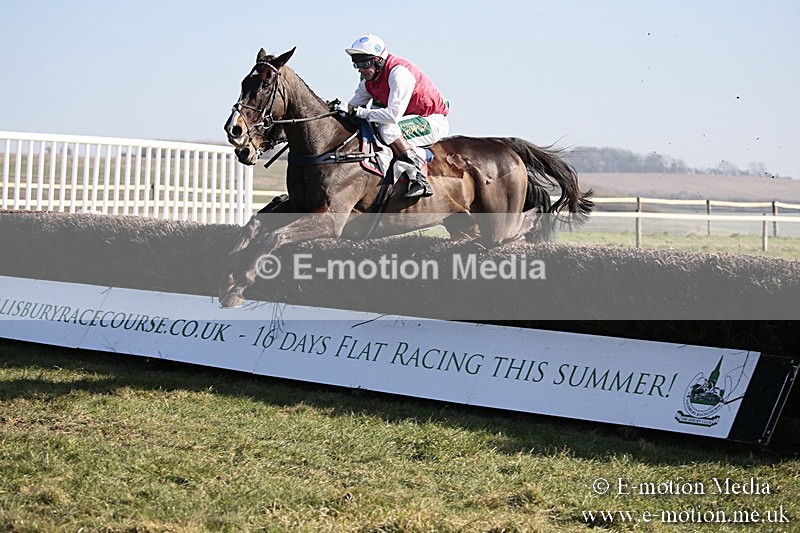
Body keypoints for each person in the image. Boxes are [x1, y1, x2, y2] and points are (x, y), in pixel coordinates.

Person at [345, 34, 449, 198]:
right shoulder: (368, 79)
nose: (360, 68)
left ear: (379, 60)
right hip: (405, 119)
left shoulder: (399, 74)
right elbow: (353, 106)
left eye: (364, 63)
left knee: (386, 128)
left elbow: (392, 116)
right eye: (356, 63)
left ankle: (418, 177)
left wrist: (361, 112)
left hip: (431, 121)